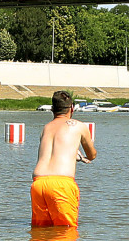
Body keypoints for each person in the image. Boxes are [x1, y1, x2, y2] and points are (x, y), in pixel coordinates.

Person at [32, 90, 97, 227]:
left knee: (40, 232)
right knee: (66, 231)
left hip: (39, 183)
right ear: (72, 108)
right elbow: (92, 155)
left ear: (52, 109)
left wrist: (75, 155)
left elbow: (52, 152)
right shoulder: (79, 126)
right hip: (61, 184)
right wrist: (80, 156)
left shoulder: (46, 128)